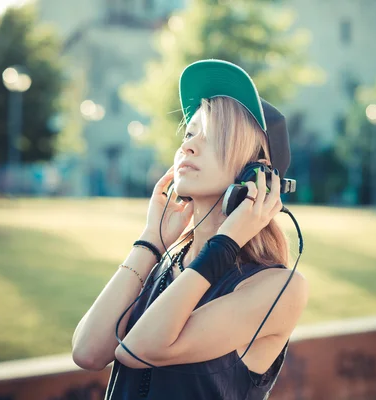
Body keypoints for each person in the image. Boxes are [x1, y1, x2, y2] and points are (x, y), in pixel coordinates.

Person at [72, 59, 309, 400]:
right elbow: (87, 351)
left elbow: (137, 350)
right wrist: (150, 241)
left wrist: (226, 242)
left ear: (255, 174)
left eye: (211, 136)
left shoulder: (279, 288)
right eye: (189, 132)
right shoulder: (165, 261)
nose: (188, 146)